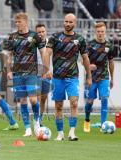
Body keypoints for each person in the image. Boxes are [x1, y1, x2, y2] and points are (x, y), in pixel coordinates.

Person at [43, 13, 92, 141]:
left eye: (71, 22)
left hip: (73, 77)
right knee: (58, 106)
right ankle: (60, 133)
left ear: (75, 23)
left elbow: (85, 58)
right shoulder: (55, 37)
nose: (68, 24)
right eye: (66, 21)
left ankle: (72, 132)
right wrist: (47, 69)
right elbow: (47, 53)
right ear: (63, 22)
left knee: (74, 103)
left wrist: (89, 76)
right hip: (57, 78)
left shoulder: (80, 39)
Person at [4, 12, 46, 137]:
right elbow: (9, 56)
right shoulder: (12, 37)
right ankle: (27, 128)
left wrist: (45, 69)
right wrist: (9, 71)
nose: (17, 24)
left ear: (26, 22)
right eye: (16, 22)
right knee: (22, 100)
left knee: (33, 99)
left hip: (32, 73)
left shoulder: (35, 36)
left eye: (20, 21)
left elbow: (43, 52)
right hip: (18, 73)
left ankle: (37, 122)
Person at [83, 22, 114, 133]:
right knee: (90, 101)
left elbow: (111, 62)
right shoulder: (90, 45)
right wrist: (89, 66)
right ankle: (87, 120)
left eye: (102, 31)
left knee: (104, 99)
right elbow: (83, 61)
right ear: (95, 32)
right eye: (98, 32)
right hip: (92, 78)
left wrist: (112, 78)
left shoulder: (109, 46)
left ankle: (103, 125)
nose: (100, 33)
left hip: (104, 77)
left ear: (105, 32)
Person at [35, 24, 52, 126]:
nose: (41, 34)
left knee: (44, 98)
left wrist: (50, 71)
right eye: (39, 32)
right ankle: (37, 121)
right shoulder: (33, 43)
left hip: (47, 73)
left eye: (43, 31)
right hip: (36, 73)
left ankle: (40, 118)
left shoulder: (50, 43)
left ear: (46, 32)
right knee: (37, 97)